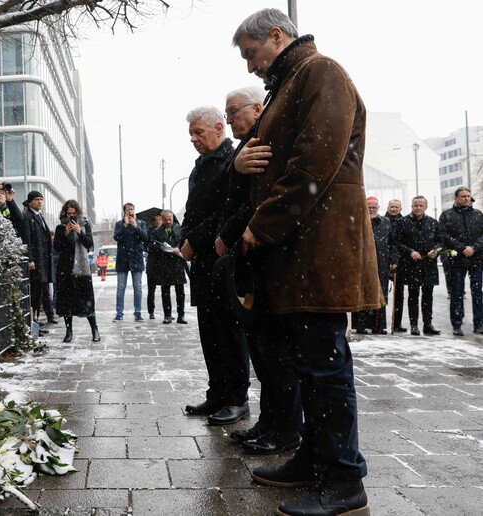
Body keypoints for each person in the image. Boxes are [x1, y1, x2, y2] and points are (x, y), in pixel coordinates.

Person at [231, 9, 382, 515]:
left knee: (324, 366)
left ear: (276, 36)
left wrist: (261, 225)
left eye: (252, 54)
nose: (251, 68)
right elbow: (280, 158)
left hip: (320, 252)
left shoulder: (321, 72)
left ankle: (344, 481)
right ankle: (316, 459)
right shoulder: (292, 81)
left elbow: (315, 162)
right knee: (310, 363)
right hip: (302, 253)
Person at [216, 85, 302, 455]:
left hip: (267, 254)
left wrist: (228, 234)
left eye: (233, 112)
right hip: (253, 258)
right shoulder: (245, 146)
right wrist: (235, 169)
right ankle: (270, 421)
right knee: (263, 350)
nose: (229, 119)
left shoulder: (265, 137)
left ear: (256, 108)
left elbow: (255, 201)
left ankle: (284, 428)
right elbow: (234, 192)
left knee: (276, 352)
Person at [179, 106, 250, 428]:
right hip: (203, 261)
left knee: (228, 330)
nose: (193, 139)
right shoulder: (203, 163)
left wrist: (194, 239)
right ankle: (217, 392)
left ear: (219, 128)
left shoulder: (229, 161)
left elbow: (226, 209)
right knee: (209, 330)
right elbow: (195, 209)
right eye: (191, 133)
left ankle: (237, 398)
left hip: (221, 257)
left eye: (199, 132)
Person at [393, 196, 443, 336]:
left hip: (429, 264)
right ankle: (414, 324)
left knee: (428, 296)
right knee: (413, 295)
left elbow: (441, 242)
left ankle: (428, 324)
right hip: (411, 265)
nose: (418, 208)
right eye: (416, 205)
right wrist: (410, 252)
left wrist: (436, 251)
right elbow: (396, 242)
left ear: (426, 207)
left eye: (421, 205)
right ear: (411, 206)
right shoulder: (402, 222)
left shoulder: (433, 222)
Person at [54, 200, 100, 343]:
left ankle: (94, 329)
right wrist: (66, 232)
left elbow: (90, 245)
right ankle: (69, 331)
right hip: (65, 270)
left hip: (82, 270)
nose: (71, 217)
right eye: (69, 214)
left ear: (78, 213)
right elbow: (57, 247)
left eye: (74, 214)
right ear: (64, 213)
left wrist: (79, 232)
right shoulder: (60, 227)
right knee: (67, 302)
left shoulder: (85, 225)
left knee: (87, 301)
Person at [439, 187, 483, 336]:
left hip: (476, 258)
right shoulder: (447, 215)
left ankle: (479, 323)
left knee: (478, 292)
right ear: (456, 198)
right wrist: (462, 247)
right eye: (463, 196)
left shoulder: (478, 215)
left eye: (468, 196)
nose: (466, 199)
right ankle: (457, 324)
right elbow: (444, 236)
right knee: (457, 292)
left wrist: (474, 248)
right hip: (457, 259)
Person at [352, 197, 396, 335]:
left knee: (380, 295)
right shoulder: (357, 221)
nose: (372, 210)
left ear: (378, 207)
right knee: (362, 294)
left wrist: (393, 260)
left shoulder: (385, 222)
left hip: (381, 265)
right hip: (362, 265)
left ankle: (378, 326)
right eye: (369, 207)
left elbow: (392, 243)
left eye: (374, 207)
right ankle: (360, 325)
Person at [24, 191, 56, 327]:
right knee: (36, 291)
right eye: (36, 199)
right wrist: (30, 259)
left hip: (44, 259)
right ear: (30, 201)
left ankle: (50, 315)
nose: (39, 202)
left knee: (45, 289)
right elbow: (27, 240)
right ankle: (34, 319)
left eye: (41, 199)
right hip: (36, 260)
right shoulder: (27, 216)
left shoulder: (40, 216)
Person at [113, 202, 148, 321]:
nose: (130, 211)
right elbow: (116, 237)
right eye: (127, 209)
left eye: (131, 209)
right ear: (124, 211)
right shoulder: (119, 224)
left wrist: (136, 226)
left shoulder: (141, 223)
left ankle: (138, 312)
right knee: (121, 287)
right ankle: (119, 313)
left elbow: (145, 238)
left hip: (136, 259)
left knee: (137, 287)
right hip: (123, 259)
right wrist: (125, 225)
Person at [151, 210, 187, 324]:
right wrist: (163, 249)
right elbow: (152, 246)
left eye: (170, 219)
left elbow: (183, 241)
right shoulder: (157, 231)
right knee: (165, 291)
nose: (168, 221)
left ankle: (181, 315)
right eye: (166, 219)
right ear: (162, 219)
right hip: (164, 264)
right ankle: (167, 315)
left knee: (180, 291)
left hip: (177, 263)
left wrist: (178, 248)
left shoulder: (178, 228)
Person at [384, 199, 408, 331]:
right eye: (391, 207)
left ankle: (397, 323)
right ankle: (378, 323)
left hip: (400, 262)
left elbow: (401, 243)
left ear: (401, 208)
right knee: (381, 293)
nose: (394, 209)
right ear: (387, 207)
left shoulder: (405, 222)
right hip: (384, 261)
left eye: (396, 207)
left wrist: (396, 259)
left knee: (399, 294)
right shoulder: (382, 221)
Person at [145, 214, 163, 319]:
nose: (158, 221)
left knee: (165, 288)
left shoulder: (166, 231)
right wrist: (158, 246)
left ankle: (167, 311)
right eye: (156, 220)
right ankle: (151, 311)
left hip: (163, 264)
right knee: (151, 289)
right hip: (152, 264)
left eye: (160, 219)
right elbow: (148, 246)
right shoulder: (150, 232)